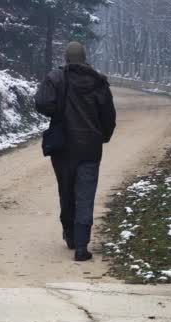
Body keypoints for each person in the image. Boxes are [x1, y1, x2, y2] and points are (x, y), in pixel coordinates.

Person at [35, 42, 116, 261]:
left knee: (66, 189)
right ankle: (82, 246)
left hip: (62, 147)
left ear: (66, 58)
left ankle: (69, 234)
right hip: (90, 148)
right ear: (85, 57)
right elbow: (108, 117)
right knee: (86, 195)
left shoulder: (56, 78)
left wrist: (57, 110)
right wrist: (103, 136)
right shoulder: (99, 83)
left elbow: (42, 104)